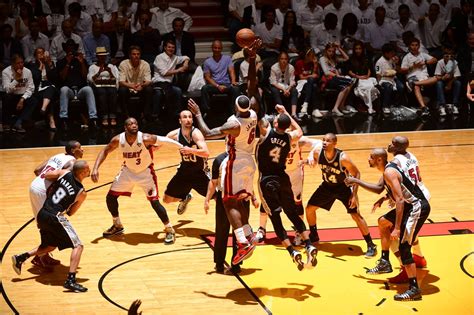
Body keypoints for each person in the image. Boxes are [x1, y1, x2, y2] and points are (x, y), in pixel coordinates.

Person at [345, 148, 430, 301]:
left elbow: (400, 200)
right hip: (410, 206)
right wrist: (380, 198)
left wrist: (397, 228)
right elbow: (379, 189)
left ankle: (414, 289)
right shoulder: (387, 170)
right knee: (383, 222)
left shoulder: (389, 172)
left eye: (371, 157)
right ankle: (385, 261)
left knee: (404, 246)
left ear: (378, 160)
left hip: (416, 207)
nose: (368, 159)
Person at [188, 95, 259, 265]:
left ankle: (242, 242)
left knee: (228, 201)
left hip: (236, 162)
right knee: (240, 201)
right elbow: (253, 93)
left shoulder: (234, 124)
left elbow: (207, 133)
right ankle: (248, 233)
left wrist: (198, 114)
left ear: (235, 106)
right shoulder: (254, 115)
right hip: (249, 161)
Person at [91, 117, 182, 244]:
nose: (134, 125)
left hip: (146, 173)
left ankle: (169, 229)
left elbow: (164, 140)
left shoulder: (145, 138)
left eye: (135, 123)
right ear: (125, 127)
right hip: (127, 171)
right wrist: (95, 168)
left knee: (155, 202)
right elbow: (105, 150)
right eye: (130, 124)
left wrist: (182, 147)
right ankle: (117, 225)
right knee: (110, 197)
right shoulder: (118, 139)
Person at [12, 160, 91, 293]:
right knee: (78, 246)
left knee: (50, 245)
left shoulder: (65, 173)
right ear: (83, 172)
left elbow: (47, 175)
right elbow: (71, 212)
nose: (89, 171)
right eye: (88, 169)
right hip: (55, 216)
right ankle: (70, 280)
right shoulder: (81, 192)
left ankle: (21, 257)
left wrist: (56, 186)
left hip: (43, 213)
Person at [255, 106, 318, 270]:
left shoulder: (266, 132)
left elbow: (257, 116)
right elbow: (299, 131)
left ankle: (291, 251)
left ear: (275, 123)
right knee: (292, 212)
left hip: (267, 179)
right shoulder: (290, 138)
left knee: (275, 217)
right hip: (284, 178)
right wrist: (286, 114)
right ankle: (309, 244)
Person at [305, 133, 377, 257]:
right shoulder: (318, 152)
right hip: (327, 186)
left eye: (328, 141)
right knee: (309, 209)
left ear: (334, 143)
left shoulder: (343, 157)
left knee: (356, 215)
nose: (324, 143)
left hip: (343, 188)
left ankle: (371, 244)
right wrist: (305, 161)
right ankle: (314, 235)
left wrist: (354, 195)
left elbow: (357, 174)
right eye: (323, 140)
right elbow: (312, 158)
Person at [256, 135, 322, 244]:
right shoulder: (273, 138)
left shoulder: (297, 140)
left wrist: (311, 155)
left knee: (297, 202)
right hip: (278, 172)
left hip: (295, 173)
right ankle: (261, 229)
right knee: (268, 201)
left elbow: (319, 143)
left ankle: (299, 232)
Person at [29, 140, 84, 267]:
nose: (82, 150)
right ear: (72, 151)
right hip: (43, 191)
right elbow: (62, 178)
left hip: (34, 186)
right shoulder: (72, 163)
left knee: (42, 222)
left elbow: (37, 171)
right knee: (46, 223)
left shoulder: (57, 155)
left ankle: (43, 255)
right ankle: (41, 256)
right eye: (80, 148)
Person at [205, 151, 246, 274]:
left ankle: (236, 263)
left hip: (239, 197)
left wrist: (253, 196)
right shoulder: (219, 159)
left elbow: (246, 179)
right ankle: (219, 263)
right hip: (223, 197)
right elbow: (213, 182)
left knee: (238, 232)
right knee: (221, 230)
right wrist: (207, 199)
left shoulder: (242, 157)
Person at [163, 110, 210, 215]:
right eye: (185, 117)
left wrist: (191, 150)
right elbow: (160, 142)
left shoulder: (196, 133)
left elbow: (206, 153)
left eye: (190, 117)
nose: (188, 119)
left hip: (200, 172)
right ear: (180, 121)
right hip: (184, 171)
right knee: (167, 199)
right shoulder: (174, 135)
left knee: (216, 196)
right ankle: (185, 198)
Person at [57, 39, 98, 130]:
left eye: (72, 47)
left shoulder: (80, 61)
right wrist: (68, 63)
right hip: (69, 90)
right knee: (63, 89)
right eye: (69, 47)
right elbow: (62, 78)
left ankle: (93, 118)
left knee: (88, 89)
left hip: (80, 90)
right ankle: (64, 119)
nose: (71, 49)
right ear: (66, 49)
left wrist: (82, 63)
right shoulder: (61, 62)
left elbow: (85, 76)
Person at [152, 39, 189, 120]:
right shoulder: (159, 57)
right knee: (161, 93)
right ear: (165, 48)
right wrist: (179, 70)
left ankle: (177, 113)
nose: (171, 49)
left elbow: (186, 57)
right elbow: (164, 73)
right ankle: (156, 115)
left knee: (178, 90)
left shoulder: (175, 57)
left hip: (168, 84)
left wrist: (185, 64)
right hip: (158, 83)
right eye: (169, 47)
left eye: (173, 47)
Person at [200, 40, 240, 116]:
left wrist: (233, 81)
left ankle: (234, 112)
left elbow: (231, 71)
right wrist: (218, 86)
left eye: (219, 48)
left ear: (221, 49)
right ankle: (206, 112)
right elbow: (207, 77)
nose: (217, 50)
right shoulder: (207, 62)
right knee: (204, 89)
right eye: (215, 48)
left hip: (226, 84)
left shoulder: (227, 58)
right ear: (212, 48)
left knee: (236, 89)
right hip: (215, 85)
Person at [400, 37, 437, 116]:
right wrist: (414, 66)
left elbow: (434, 59)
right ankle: (423, 107)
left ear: (419, 46)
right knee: (416, 86)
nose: (414, 47)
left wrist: (425, 63)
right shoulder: (407, 57)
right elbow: (402, 70)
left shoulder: (423, 55)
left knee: (436, 78)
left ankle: (416, 83)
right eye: (412, 45)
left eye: (416, 45)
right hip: (412, 77)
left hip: (424, 77)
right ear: (409, 46)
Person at [1, 54, 37, 133]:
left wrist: (22, 99)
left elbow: (31, 88)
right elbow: (7, 90)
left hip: (22, 96)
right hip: (12, 95)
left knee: (33, 100)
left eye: (22, 62)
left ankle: (19, 123)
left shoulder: (27, 71)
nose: (21, 65)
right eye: (18, 63)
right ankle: (6, 123)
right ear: (12, 64)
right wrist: (16, 79)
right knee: (6, 97)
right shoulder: (6, 72)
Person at [117, 46, 153, 120]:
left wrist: (142, 86)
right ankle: (126, 115)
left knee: (149, 89)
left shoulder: (145, 64)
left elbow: (148, 81)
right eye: (134, 54)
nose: (136, 56)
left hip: (140, 88)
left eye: (138, 54)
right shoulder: (123, 64)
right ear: (130, 55)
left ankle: (145, 115)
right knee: (122, 90)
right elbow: (121, 82)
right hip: (128, 88)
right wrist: (132, 86)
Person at [87, 46, 119, 127]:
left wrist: (110, 72)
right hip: (97, 86)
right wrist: (99, 72)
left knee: (112, 91)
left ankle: (112, 116)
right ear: (97, 57)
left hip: (110, 85)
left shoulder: (111, 66)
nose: (102, 57)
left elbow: (116, 79)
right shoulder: (92, 67)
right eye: (100, 56)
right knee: (102, 92)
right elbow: (90, 79)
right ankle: (104, 116)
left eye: (104, 56)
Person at [27, 47, 58, 131]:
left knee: (50, 88)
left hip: (50, 89)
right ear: (35, 56)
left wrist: (50, 64)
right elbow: (35, 80)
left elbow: (55, 78)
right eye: (38, 53)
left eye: (42, 53)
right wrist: (40, 67)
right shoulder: (32, 66)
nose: (41, 54)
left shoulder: (49, 64)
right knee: (49, 96)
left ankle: (43, 108)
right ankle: (51, 120)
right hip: (38, 90)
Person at [269, 51, 300, 122]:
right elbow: (273, 82)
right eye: (282, 59)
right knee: (275, 91)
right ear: (279, 59)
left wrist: (288, 89)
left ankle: (293, 114)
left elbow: (292, 81)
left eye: (285, 59)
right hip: (276, 85)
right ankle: (282, 114)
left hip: (287, 85)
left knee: (294, 91)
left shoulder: (291, 67)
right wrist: (283, 89)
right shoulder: (274, 67)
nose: (284, 61)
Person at [375, 43, 404, 114]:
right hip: (383, 79)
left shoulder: (392, 59)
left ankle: (396, 104)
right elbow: (378, 74)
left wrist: (397, 63)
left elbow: (398, 70)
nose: (393, 54)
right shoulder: (379, 62)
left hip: (393, 78)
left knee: (401, 86)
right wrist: (380, 83)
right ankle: (385, 106)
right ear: (386, 53)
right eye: (391, 52)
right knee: (388, 87)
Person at [434, 47, 462, 116]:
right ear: (443, 56)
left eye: (451, 56)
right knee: (439, 83)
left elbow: (456, 76)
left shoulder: (454, 62)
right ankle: (442, 105)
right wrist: (443, 78)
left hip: (451, 80)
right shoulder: (440, 62)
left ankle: (455, 105)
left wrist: (449, 84)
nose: (449, 57)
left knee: (458, 83)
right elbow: (437, 76)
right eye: (447, 56)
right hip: (442, 80)